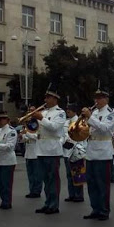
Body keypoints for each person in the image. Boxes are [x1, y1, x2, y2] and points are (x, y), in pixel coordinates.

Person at [82, 82, 114, 221]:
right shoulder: (95, 112)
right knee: (91, 183)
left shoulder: (111, 112)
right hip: (91, 151)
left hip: (103, 151)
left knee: (102, 184)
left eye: (100, 97)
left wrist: (90, 117)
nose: (97, 100)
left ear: (106, 99)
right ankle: (95, 209)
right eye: (96, 97)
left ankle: (104, 210)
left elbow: (105, 129)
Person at [33, 84, 66, 215]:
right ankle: (47, 203)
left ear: (55, 99)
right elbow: (37, 129)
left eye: (48, 97)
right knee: (46, 179)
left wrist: (41, 118)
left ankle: (54, 205)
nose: (45, 100)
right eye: (46, 97)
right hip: (41, 149)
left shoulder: (60, 113)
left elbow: (54, 127)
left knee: (53, 179)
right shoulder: (44, 112)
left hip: (52, 150)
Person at [62, 103, 84, 202]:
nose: (67, 111)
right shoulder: (66, 122)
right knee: (69, 174)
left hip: (77, 150)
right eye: (67, 109)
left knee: (78, 174)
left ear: (74, 111)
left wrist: (70, 142)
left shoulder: (80, 121)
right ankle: (71, 194)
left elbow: (81, 136)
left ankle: (79, 195)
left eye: (69, 110)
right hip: (67, 150)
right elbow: (63, 135)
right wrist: (63, 142)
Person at [22, 106, 42, 199]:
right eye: (29, 110)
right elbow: (26, 137)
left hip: (36, 151)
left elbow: (37, 137)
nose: (30, 112)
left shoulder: (38, 123)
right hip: (28, 151)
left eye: (32, 111)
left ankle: (37, 191)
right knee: (30, 174)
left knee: (37, 174)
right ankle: (31, 190)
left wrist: (27, 133)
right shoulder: (27, 122)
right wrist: (23, 136)